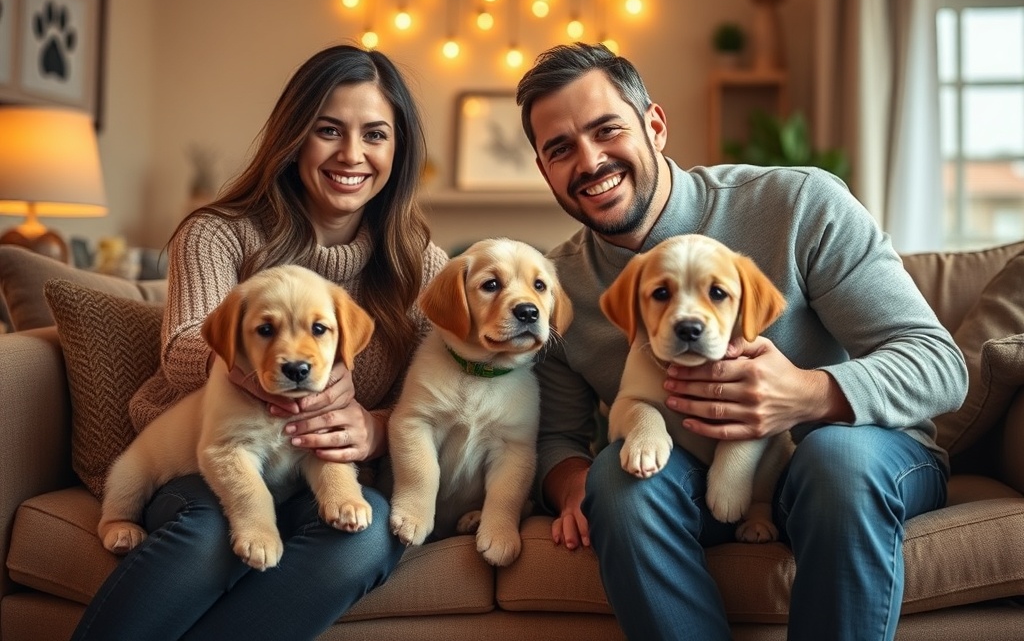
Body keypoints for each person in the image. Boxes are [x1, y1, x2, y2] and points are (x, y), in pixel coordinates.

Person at [515, 42, 967, 641]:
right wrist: (573, 485)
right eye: (561, 149)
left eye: (608, 130)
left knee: (837, 458)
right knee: (616, 483)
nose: (591, 160)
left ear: (655, 125)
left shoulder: (798, 203)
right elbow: (554, 436)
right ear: (545, 170)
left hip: (862, 462)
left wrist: (808, 392)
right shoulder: (558, 284)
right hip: (698, 478)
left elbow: (940, 364)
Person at [73, 44, 449, 641]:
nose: (352, 154)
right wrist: (278, 367)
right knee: (207, 536)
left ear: (397, 150)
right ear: (295, 136)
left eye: (375, 134)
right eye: (329, 130)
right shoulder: (218, 233)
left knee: (366, 534)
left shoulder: (421, 265)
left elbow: (435, 397)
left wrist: (373, 427)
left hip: (316, 469)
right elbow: (183, 351)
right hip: (202, 458)